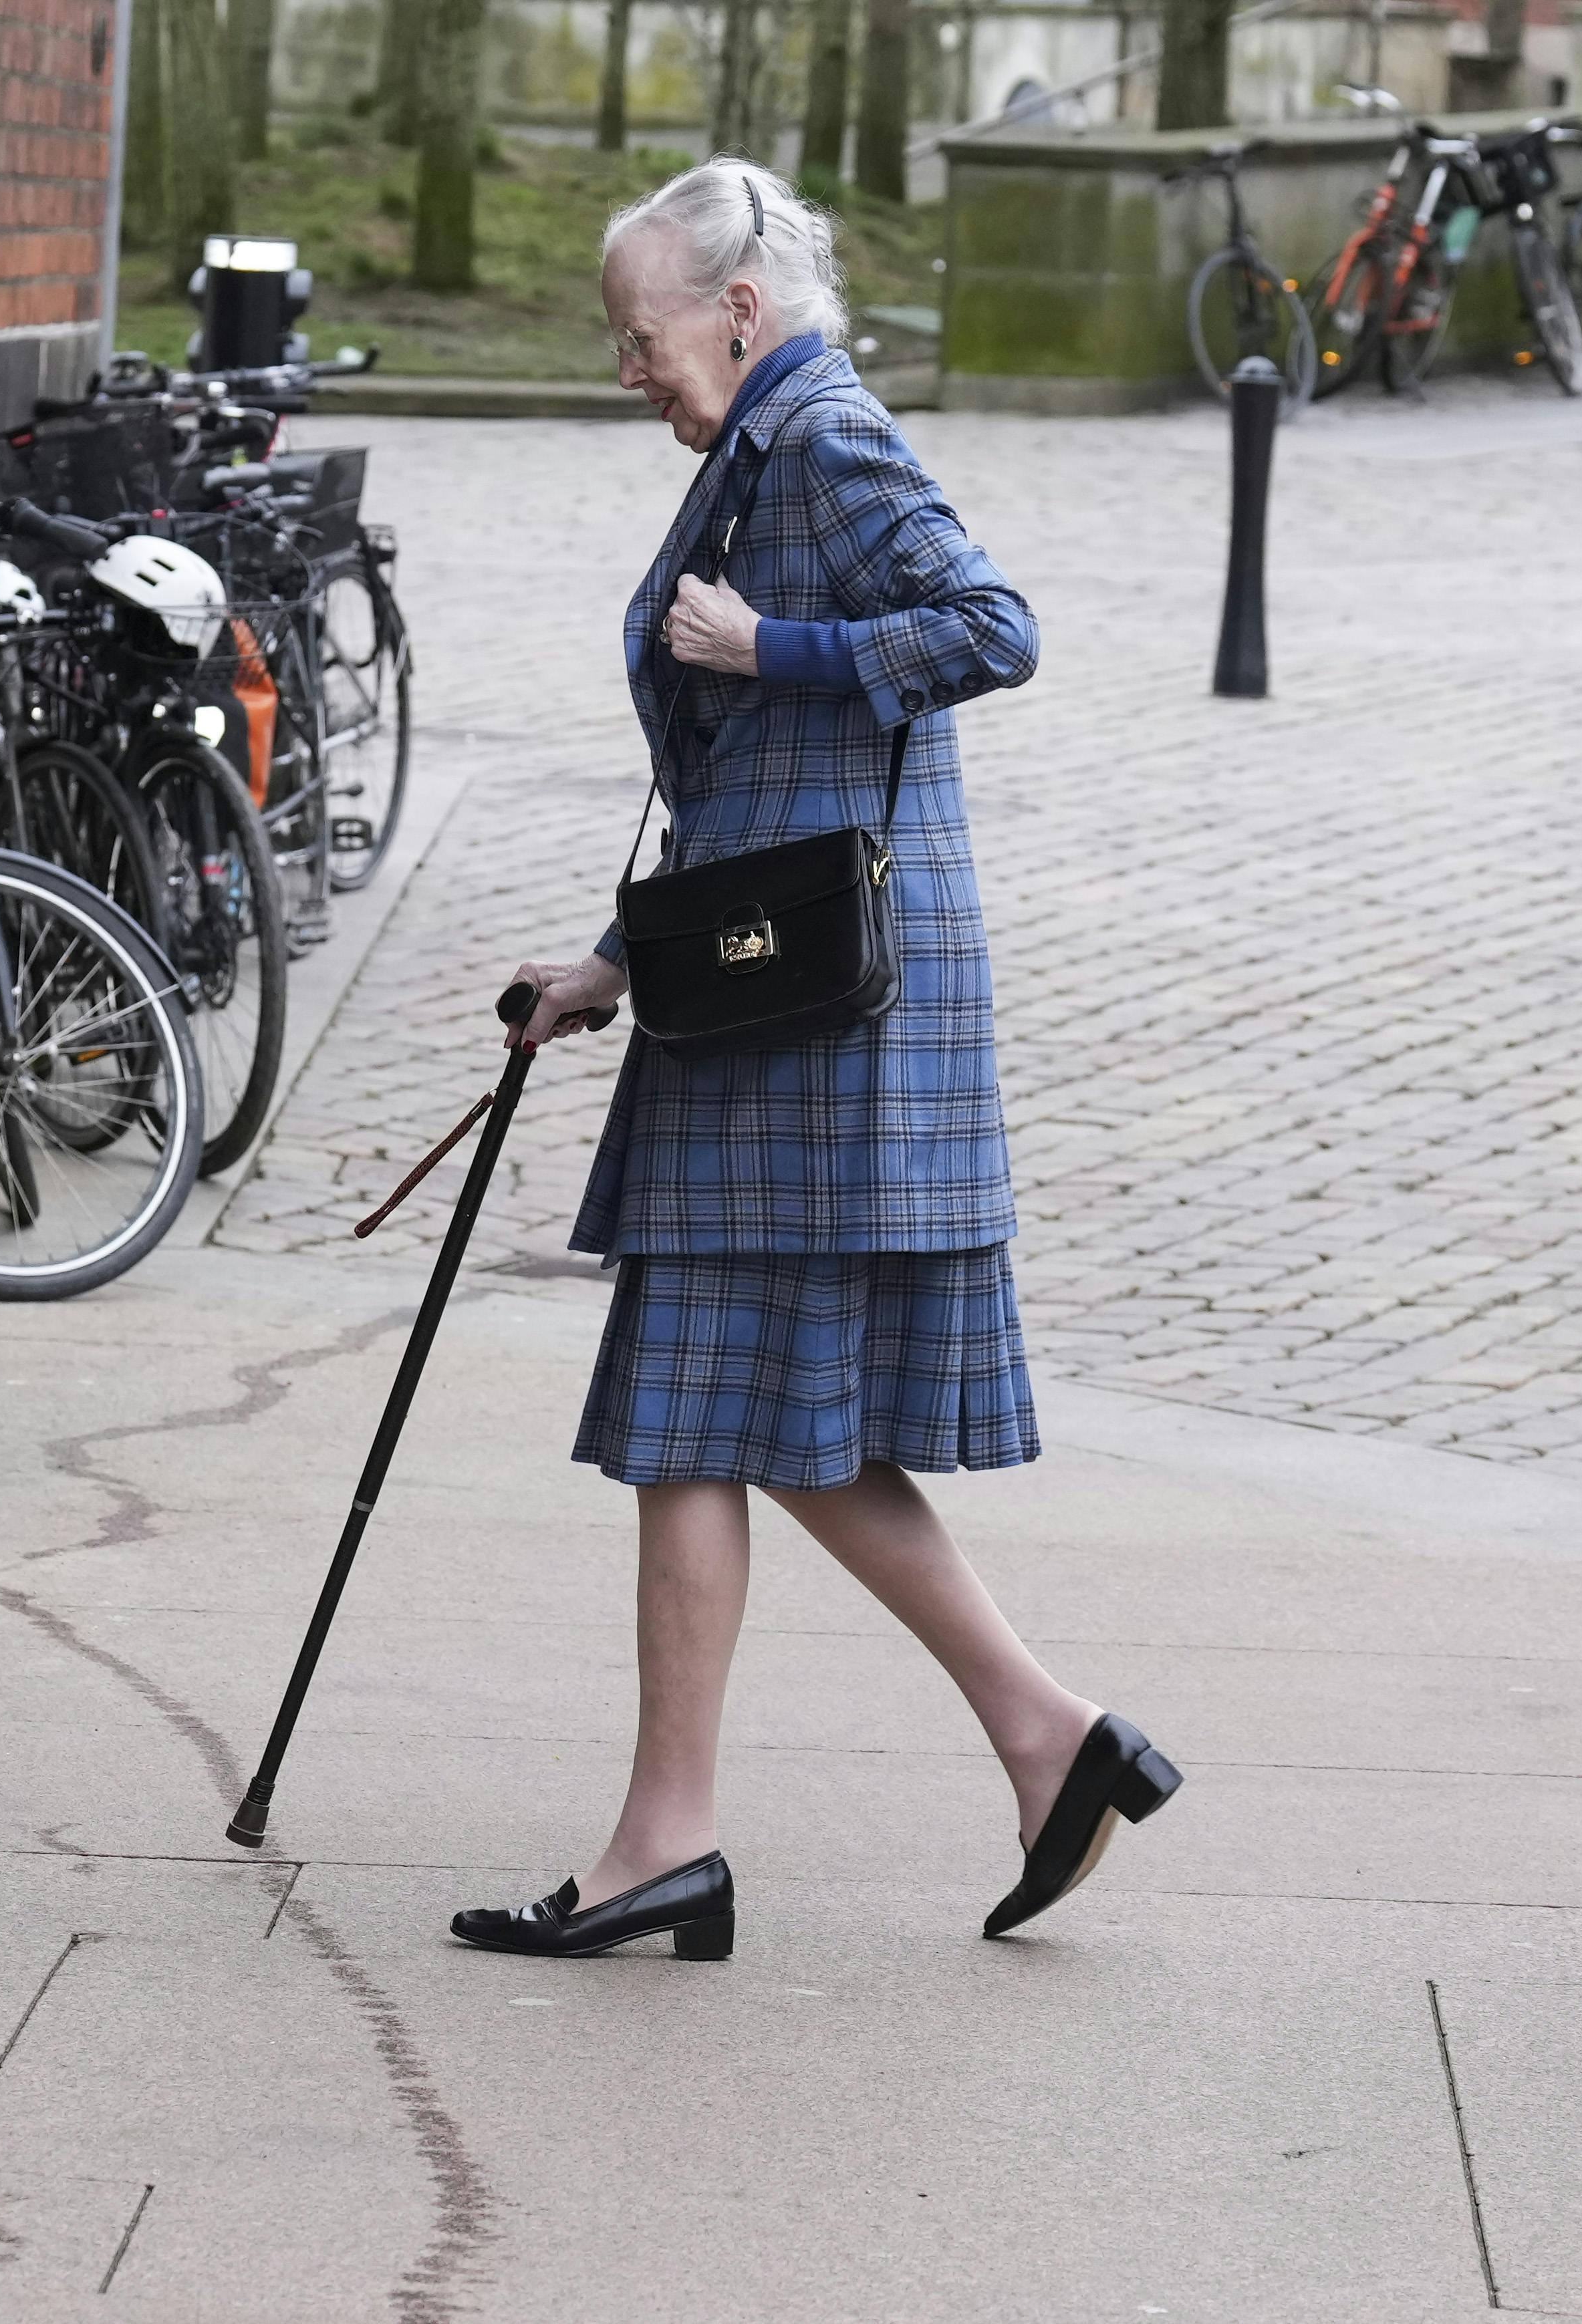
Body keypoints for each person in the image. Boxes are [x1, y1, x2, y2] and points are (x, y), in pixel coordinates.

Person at [466, 156, 1182, 1966]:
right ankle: (1036, 1740)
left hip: (815, 1029)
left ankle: (680, 1839)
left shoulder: (827, 438)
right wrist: (614, 959)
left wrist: (770, 641)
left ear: (740, 304)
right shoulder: (759, 445)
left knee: (707, 1408)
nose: (625, 369)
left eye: (638, 335)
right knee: (738, 1418)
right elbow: (738, 792)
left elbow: (990, 629)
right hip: (765, 1002)